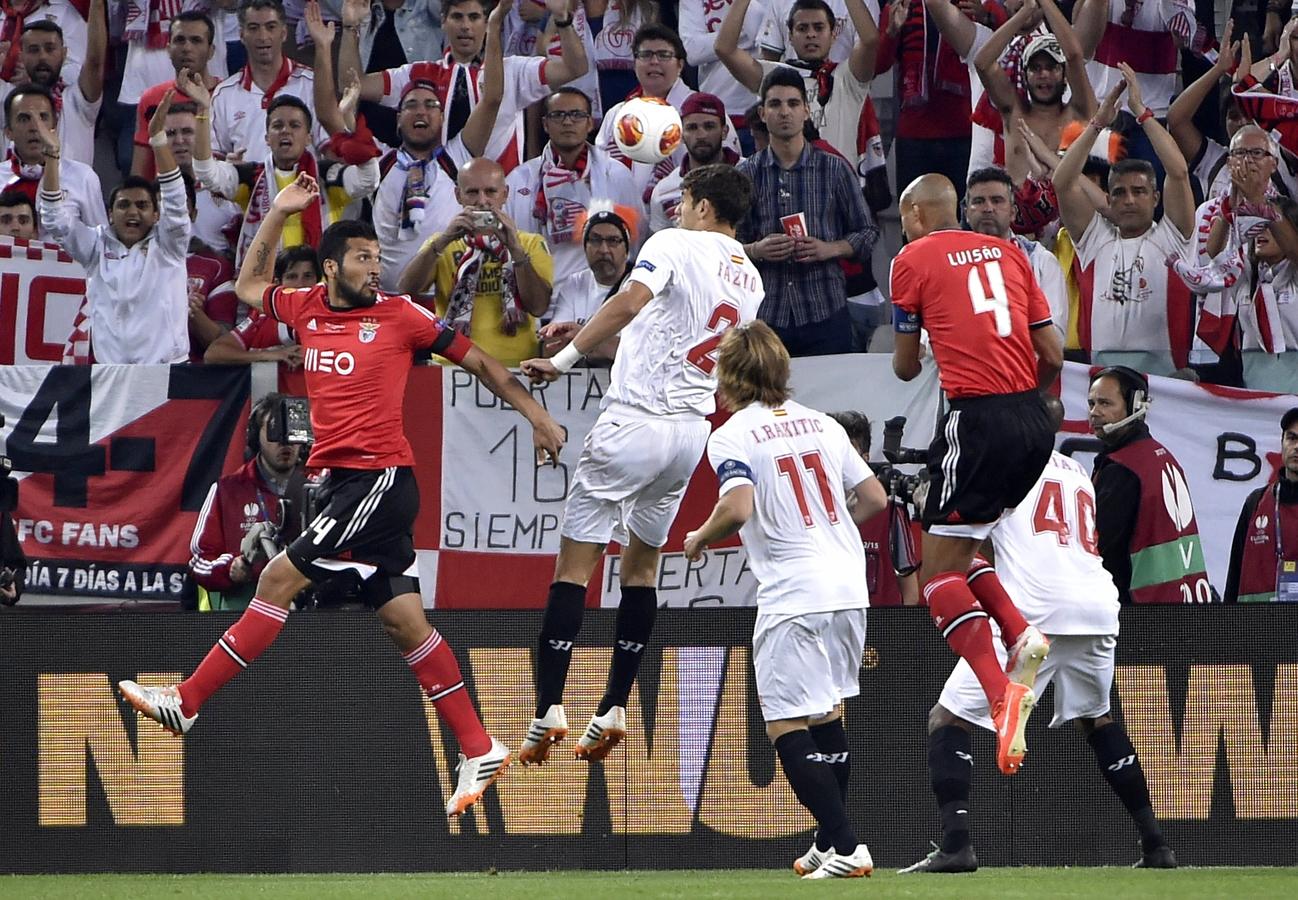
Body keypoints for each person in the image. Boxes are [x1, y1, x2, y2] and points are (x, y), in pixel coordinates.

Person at [117, 173, 567, 820]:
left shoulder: (402, 315)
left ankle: (185, 703)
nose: (374, 268)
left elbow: (483, 365)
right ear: (329, 267)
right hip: (345, 485)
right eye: (362, 258)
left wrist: (535, 415)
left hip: (379, 480)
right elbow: (247, 287)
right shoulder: (305, 308)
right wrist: (275, 211)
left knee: (275, 579)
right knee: (402, 619)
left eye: (377, 258)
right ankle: (478, 742)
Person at [514, 164, 763, 767]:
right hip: (688, 434)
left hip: (634, 421)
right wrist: (597, 338)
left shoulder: (673, 243)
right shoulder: (750, 277)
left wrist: (567, 357)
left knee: (574, 568)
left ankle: (548, 708)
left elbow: (630, 301)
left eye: (682, 203)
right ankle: (614, 706)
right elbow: (675, 337)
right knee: (642, 569)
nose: (675, 211)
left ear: (702, 205)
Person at [900, 395, 1177, 874]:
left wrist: (931, 507)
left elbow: (966, 550)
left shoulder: (999, 460)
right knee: (1100, 719)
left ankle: (956, 844)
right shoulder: (1074, 469)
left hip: (1035, 611)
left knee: (947, 720)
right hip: (1096, 605)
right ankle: (1156, 845)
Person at [682, 321, 885, 879]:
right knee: (827, 711)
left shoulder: (731, 434)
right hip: (848, 586)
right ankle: (827, 843)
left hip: (794, 592)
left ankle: (846, 845)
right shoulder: (822, 423)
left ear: (728, 377)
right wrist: (831, 530)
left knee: (784, 723)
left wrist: (700, 535)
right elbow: (873, 497)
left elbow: (739, 506)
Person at [890, 171, 1062, 776]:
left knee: (934, 572)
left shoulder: (911, 257)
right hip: (1035, 421)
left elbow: (907, 368)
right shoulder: (1014, 254)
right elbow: (1053, 356)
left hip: (977, 417)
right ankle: (1018, 632)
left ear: (913, 213)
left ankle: (999, 695)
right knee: (961, 549)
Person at [307, 0, 504, 291]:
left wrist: (495, 27)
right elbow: (331, 110)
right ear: (398, 120)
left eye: (430, 105)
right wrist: (331, 42)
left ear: (442, 117)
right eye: (411, 105)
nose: (421, 112)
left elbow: (492, 99)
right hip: (388, 301)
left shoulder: (459, 157)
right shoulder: (379, 161)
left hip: (447, 302)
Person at [1052, 71, 1196, 376]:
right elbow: (1062, 182)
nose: (1129, 199)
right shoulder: (1095, 239)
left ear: (1156, 198)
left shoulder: (1173, 238)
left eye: (1139, 191)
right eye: (1119, 193)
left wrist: (1142, 112)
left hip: (1167, 377)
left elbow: (1179, 172)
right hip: (1103, 376)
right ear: (1109, 198)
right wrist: (1096, 125)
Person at [37, 90, 191, 365]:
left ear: (157, 214)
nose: (133, 212)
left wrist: (158, 140)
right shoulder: (95, 247)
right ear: (109, 214)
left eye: (142, 205)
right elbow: (54, 219)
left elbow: (176, 202)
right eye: (124, 205)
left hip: (169, 373)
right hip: (112, 375)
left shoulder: (169, 246)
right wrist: (51, 157)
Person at [349, 0, 589, 173]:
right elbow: (353, 84)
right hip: (440, 194)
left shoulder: (514, 71)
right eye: (457, 17)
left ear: (487, 23)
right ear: (443, 22)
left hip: (498, 193)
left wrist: (562, 19)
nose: (465, 26)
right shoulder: (418, 73)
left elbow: (575, 68)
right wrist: (350, 28)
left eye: (474, 18)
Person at [736, 66, 876, 356]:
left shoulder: (834, 169)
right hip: (766, 313)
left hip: (824, 309)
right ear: (762, 114)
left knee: (829, 400)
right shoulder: (746, 174)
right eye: (775, 104)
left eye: (793, 103)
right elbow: (724, 246)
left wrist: (831, 248)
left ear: (807, 111)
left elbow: (868, 233)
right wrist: (756, 250)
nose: (784, 112)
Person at [396, 157, 553, 367]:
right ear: (458, 195)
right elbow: (407, 290)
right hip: (453, 366)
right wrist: (443, 241)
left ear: (505, 194)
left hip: (516, 365)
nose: (482, 201)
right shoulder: (440, 244)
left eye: (490, 192)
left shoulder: (530, 243)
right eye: (472, 192)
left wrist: (515, 250)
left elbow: (539, 307)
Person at [1087, 366, 1211, 604]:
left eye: (1105, 403)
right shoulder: (1161, 455)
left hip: (1140, 607)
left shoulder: (1124, 468)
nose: (1095, 412)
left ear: (1135, 406)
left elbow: (1101, 547)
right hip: (1179, 599)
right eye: (1091, 403)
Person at [504, 86, 644, 286]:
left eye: (576, 115)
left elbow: (635, 238)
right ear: (545, 124)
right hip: (539, 293)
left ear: (589, 123)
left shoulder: (616, 174)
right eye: (558, 115)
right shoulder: (519, 179)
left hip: (601, 292)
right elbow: (509, 245)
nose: (567, 121)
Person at [715, 0, 877, 167]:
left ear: (834, 34)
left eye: (819, 27)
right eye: (802, 28)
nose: (811, 34)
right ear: (790, 36)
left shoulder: (849, 77)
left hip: (836, 185)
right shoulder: (773, 77)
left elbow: (870, 41)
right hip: (783, 185)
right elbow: (724, 49)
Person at [190, 393, 305, 611]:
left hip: (308, 610)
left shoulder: (320, 486)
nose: (284, 442)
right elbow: (200, 559)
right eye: (273, 431)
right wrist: (231, 568)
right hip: (244, 609)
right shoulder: (227, 490)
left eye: (291, 432)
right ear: (255, 437)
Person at [972, 0, 1095, 186]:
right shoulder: (1014, 113)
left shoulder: (1079, 113)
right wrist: (1025, 11)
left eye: (1051, 67)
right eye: (1036, 68)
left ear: (1064, 76)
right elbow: (982, 63)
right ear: (1025, 75)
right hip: (1017, 212)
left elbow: (1074, 56)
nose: (1043, 74)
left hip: (1067, 213)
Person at [829, 410, 919, 607]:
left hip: (881, 629)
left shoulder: (889, 511)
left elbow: (910, 589)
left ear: (865, 458)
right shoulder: (815, 511)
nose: (840, 462)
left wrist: (903, 634)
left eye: (848, 454)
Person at [210, 0, 323, 159]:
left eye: (270, 27)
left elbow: (330, 149)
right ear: (241, 35)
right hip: (245, 184)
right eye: (254, 28)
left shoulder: (311, 85)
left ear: (283, 33)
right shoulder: (223, 94)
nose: (263, 36)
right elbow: (214, 164)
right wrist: (229, 170)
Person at [965, 166, 1067, 340]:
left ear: (1013, 212)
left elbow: (1054, 335)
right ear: (967, 213)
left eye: (997, 200)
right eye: (979, 201)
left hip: (1024, 364)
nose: (988, 208)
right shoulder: (949, 261)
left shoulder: (1040, 261)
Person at [0, 4, 105, 166]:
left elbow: (95, 61)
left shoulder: (78, 100)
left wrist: (97, 5)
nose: (42, 57)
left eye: (50, 49)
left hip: (69, 190)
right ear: (21, 55)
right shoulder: (8, 99)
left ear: (64, 54)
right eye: (34, 50)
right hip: (16, 189)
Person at [129, 11, 223, 179]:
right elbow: (140, 170)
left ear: (211, 51)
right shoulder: (151, 99)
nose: (187, 48)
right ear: (168, 49)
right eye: (180, 40)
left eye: (196, 40)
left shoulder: (227, 95)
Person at [2, 84, 106, 235]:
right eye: (24, 119)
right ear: (8, 132)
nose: (35, 127)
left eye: (42, 118)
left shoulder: (83, 178)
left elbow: (101, 244)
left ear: (55, 127)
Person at [540, 206, 631, 364]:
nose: (603, 249)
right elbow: (552, 346)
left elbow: (640, 351)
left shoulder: (639, 285)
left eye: (613, 241)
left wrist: (580, 337)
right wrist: (604, 346)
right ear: (585, 247)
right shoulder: (575, 283)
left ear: (626, 250)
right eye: (595, 240)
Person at [1225, 407, 1298, 603]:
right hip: (1257, 630)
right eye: (1292, 438)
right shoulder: (1255, 502)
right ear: (1282, 443)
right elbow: (1233, 578)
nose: (1296, 446)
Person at [648, 91, 740, 232]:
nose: (701, 135)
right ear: (681, 134)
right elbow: (661, 245)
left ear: (725, 131)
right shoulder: (664, 190)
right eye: (692, 128)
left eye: (709, 126)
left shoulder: (750, 173)